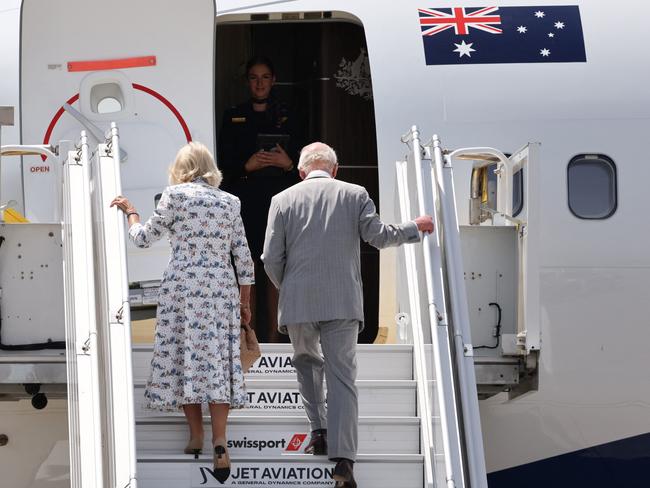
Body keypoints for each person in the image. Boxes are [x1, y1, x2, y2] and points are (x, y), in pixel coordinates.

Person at [261, 142, 434, 488]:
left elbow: (269, 258)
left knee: (307, 364)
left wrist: (290, 287)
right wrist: (415, 227)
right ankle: (343, 461)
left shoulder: (281, 200)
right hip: (342, 303)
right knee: (342, 377)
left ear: (301, 172)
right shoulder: (356, 194)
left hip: (299, 302)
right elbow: (379, 237)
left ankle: (319, 431)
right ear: (335, 170)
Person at [110, 142, 254, 482]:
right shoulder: (230, 202)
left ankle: (195, 436)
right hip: (220, 289)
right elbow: (244, 260)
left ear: (180, 168)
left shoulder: (174, 197)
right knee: (217, 360)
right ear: (210, 168)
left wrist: (131, 211)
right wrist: (244, 304)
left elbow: (143, 239)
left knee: (184, 356)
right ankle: (220, 440)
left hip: (183, 289)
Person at [217, 55, 301, 343]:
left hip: (280, 201)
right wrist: (246, 166)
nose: (260, 83)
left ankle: (275, 339)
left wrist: (287, 162)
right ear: (247, 82)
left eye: (265, 77)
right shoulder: (232, 115)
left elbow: (306, 168)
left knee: (276, 268)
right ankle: (248, 338)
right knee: (247, 270)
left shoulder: (291, 114)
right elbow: (221, 170)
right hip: (246, 201)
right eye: (254, 77)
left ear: (273, 80)